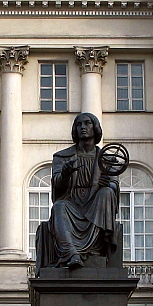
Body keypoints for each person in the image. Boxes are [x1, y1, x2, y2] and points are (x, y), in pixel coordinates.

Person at [35, 113, 119, 269]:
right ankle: (72, 254)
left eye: (87, 123)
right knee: (59, 207)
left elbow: (114, 185)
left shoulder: (106, 158)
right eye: (79, 125)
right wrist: (65, 174)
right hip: (72, 203)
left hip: (94, 204)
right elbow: (57, 186)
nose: (83, 127)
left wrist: (109, 184)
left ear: (96, 128)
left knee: (106, 193)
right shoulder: (62, 157)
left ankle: (95, 250)